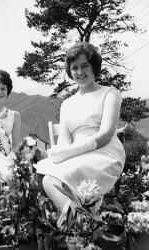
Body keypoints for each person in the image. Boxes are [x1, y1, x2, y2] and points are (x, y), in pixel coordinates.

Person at [35, 42, 126, 225]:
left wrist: (68, 153)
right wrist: (56, 155)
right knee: (39, 176)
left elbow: (107, 133)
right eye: (74, 67)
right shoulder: (67, 103)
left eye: (84, 66)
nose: (79, 72)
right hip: (76, 155)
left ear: (94, 67)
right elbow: (64, 143)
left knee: (52, 180)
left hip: (104, 151)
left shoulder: (110, 93)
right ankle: (78, 224)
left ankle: (80, 228)